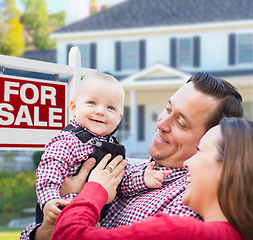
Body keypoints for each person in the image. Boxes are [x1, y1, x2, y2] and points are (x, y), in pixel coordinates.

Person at [28, 72, 244, 239]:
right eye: (168, 109)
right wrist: (46, 227)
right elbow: (33, 232)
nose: (161, 124)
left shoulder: (190, 202)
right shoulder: (122, 165)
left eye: (181, 122)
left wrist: (90, 192)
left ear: (212, 138)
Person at [51, 118, 253, 240]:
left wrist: (94, 189)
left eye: (200, 151)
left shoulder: (180, 232)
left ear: (231, 170)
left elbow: (68, 236)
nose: (188, 164)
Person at [20, 73, 171, 240]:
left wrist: (143, 179)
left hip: (91, 221)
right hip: (60, 212)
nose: (100, 111)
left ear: (119, 118)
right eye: (92, 103)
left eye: (110, 108)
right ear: (73, 108)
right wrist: (49, 200)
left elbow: (120, 181)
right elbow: (49, 171)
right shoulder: (68, 140)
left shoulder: (114, 147)